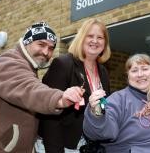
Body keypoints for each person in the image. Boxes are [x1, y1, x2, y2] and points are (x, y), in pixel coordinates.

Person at [0, 22, 85, 153]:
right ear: (27, 42)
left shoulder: (28, 66)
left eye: (51, 48)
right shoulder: (8, 62)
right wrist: (59, 98)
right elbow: (28, 88)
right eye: (41, 44)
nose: (46, 52)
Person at [38, 19, 111, 153]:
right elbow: (49, 114)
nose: (95, 41)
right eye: (90, 36)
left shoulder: (103, 72)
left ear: (105, 43)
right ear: (81, 38)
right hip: (60, 145)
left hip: (87, 145)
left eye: (100, 37)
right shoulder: (63, 64)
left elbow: (104, 106)